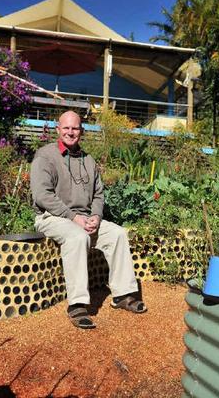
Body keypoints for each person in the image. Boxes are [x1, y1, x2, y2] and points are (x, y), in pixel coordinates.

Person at [30, 110, 146, 329]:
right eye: (66, 128)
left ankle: (122, 295)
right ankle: (77, 305)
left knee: (118, 234)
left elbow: (99, 195)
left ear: (81, 131)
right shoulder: (45, 157)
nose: (71, 132)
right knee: (77, 237)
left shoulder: (88, 160)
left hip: (83, 219)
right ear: (58, 129)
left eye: (75, 128)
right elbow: (42, 196)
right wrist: (74, 218)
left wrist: (95, 216)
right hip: (52, 217)